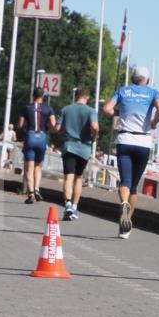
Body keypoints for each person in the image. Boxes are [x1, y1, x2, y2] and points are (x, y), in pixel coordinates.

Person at [101, 66, 159, 238]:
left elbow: (106, 109)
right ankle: (126, 226)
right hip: (143, 141)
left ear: (132, 78)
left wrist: (120, 112)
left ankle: (123, 203)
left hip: (125, 140)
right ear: (148, 80)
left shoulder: (123, 91)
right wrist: (153, 122)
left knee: (125, 182)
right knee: (135, 187)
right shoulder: (153, 93)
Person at [56, 87, 99, 220]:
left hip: (69, 146)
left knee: (68, 176)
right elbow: (95, 127)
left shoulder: (66, 109)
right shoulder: (91, 111)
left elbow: (57, 128)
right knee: (78, 178)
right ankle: (74, 207)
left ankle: (67, 204)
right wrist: (94, 136)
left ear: (76, 96)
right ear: (87, 97)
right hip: (84, 148)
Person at [18, 89, 56, 204]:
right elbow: (53, 124)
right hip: (42, 137)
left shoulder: (26, 107)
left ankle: (30, 194)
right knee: (38, 166)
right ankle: (37, 189)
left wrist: (24, 127)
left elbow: (20, 124)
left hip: (30, 136)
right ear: (43, 96)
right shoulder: (48, 108)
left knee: (29, 167)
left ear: (33, 95)